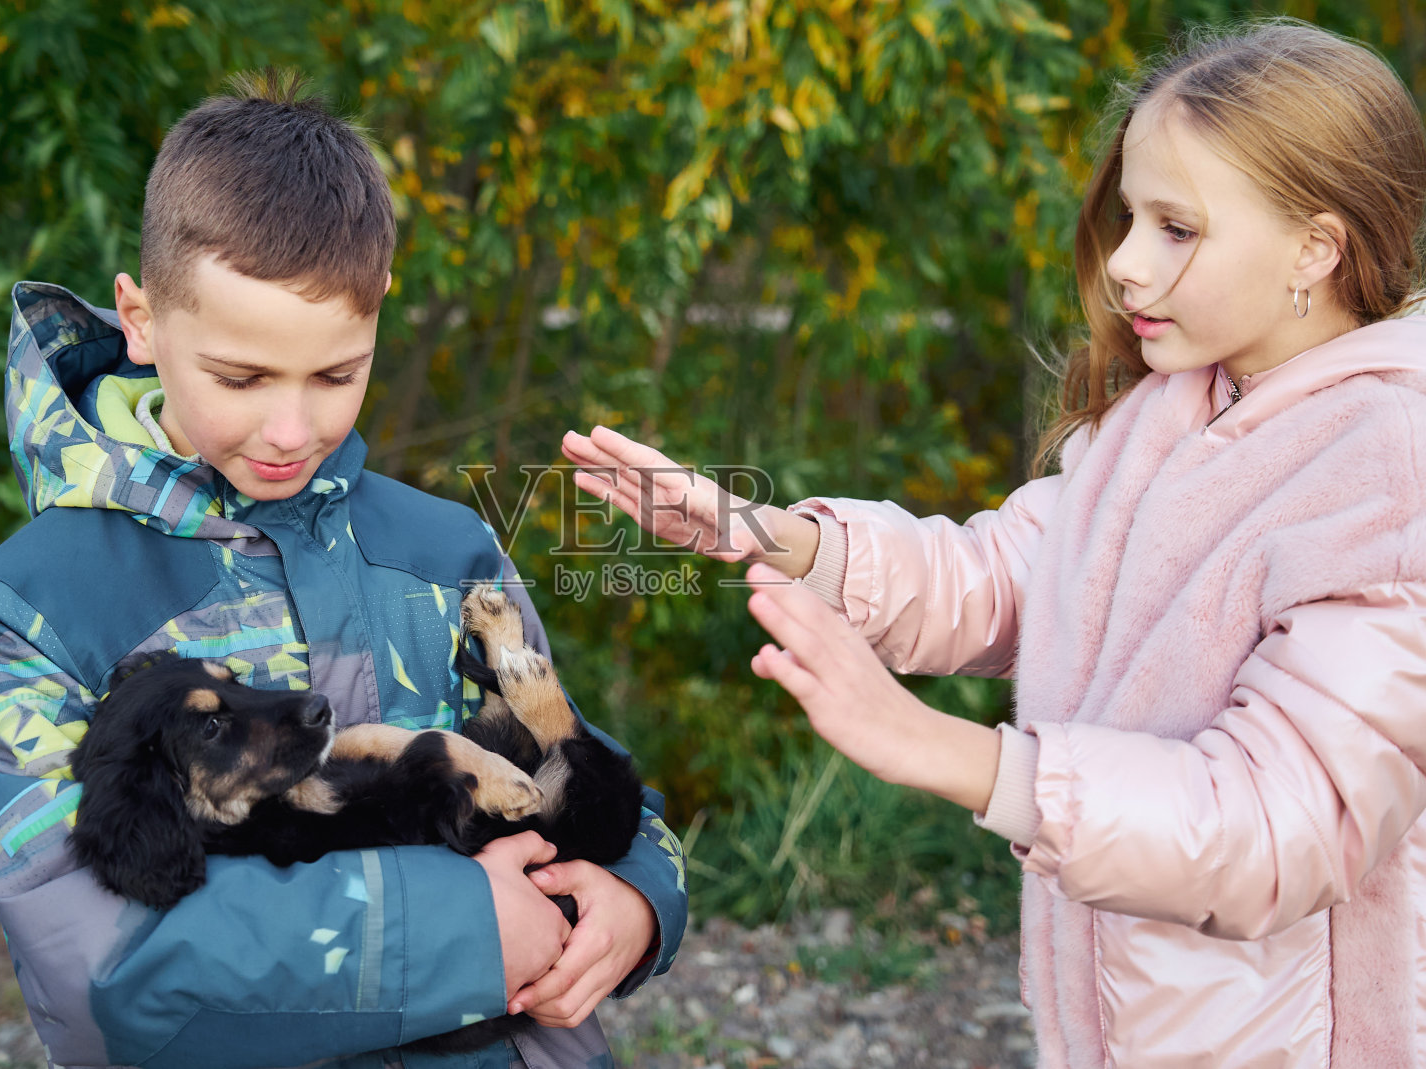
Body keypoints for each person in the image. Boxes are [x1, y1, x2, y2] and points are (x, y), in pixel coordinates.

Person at [562, 19, 1426, 1067]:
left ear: (1316, 249)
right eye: (1128, 220)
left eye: (1177, 230)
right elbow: (1005, 576)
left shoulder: (1386, 463)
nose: (1124, 267)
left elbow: (1278, 823)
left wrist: (951, 753)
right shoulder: (1162, 419)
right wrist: (777, 538)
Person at [0, 73, 686, 1069]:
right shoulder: (29, 606)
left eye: (337, 373)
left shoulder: (445, 552)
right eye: (241, 377)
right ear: (142, 318)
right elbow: (95, 966)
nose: (293, 429)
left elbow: (566, 756)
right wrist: (464, 930)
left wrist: (638, 895)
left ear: (380, 308)